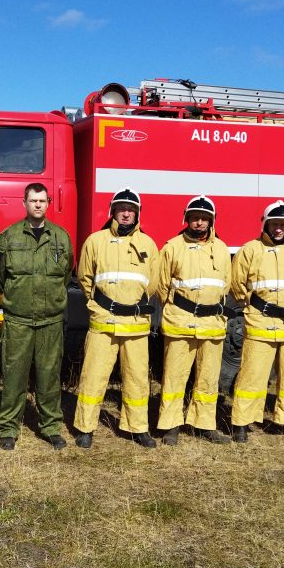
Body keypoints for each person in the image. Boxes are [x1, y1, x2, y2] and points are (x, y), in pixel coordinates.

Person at [73, 189, 160, 448]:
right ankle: (85, 428)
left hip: (135, 325)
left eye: (131, 209)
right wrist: (99, 305)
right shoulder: (95, 241)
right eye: (121, 208)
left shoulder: (148, 244)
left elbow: (153, 283)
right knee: (93, 376)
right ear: (113, 210)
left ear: (137, 213)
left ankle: (137, 428)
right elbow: (85, 278)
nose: (126, 213)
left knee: (136, 379)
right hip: (104, 322)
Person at [0, 183, 74, 450]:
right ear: (24, 203)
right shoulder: (8, 237)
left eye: (42, 200)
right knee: (14, 375)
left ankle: (50, 427)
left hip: (50, 321)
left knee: (49, 376)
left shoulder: (62, 237)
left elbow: (66, 276)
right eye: (33, 200)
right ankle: (8, 429)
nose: (38, 205)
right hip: (19, 321)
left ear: (48, 203)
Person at [230, 200, 284, 443]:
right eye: (274, 224)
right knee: (252, 375)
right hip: (260, 322)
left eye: (283, 224)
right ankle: (242, 422)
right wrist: (254, 307)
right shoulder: (250, 250)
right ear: (265, 224)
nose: (279, 229)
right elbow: (237, 285)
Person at [155, 195, 232, 445]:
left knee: (208, 378)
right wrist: (178, 309)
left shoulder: (221, 248)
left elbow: (226, 285)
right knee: (174, 377)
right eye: (195, 218)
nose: (199, 223)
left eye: (204, 219)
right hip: (180, 322)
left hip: (212, 325)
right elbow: (161, 284)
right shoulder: (172, 246)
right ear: (186, 219)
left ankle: (204, 424)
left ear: (211, 222)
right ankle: (171, 425)